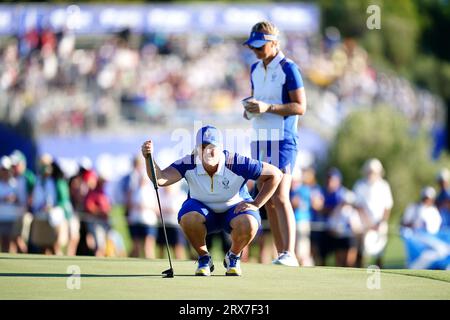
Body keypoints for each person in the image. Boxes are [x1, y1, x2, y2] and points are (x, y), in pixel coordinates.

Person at [141, 125, 283, 276]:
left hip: (234, 211)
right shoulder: (189, 162)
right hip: (201, 211)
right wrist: (148, 158)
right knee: (188, 218)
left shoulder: (236, 162)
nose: (208, 151)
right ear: (197, 149)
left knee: (250, 222)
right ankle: (204, 258)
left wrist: (257, 203)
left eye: (212, 146)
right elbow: (161, 179)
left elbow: (275, 175)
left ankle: (233, 257)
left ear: (221, 148)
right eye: (203, 146)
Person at [242, 21, 307, 266]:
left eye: (260, 46)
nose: (256, 51)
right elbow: (258, 101)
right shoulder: (255, 69)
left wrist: (268, 107)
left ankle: (289, 253)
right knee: (267, 199)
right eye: (253, 47)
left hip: (283, 138)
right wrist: (250, 109)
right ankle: (282, 255)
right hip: (260, 138)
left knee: (280, 195)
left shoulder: (290, 69)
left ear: (274, 43)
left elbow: (300, 106)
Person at [353, 158, 393, 268]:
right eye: (370, 171)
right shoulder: (360, 185)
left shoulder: (384, 186)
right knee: (362, 251)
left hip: (380, 224)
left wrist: (381, 223)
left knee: (380, 253)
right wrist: (368, 223)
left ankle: (378, 278)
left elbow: (387, 207)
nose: (371, 174)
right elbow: (358, 205)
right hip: (364, 224)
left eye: (374, 171)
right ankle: (359, 275)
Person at [127, 168, 159, 259]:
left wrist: (145, 207)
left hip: (149, 222)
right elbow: (128, 205)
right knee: (135, 247)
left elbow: (157, 208)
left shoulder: (152, 191)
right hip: (135, 220)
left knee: (148, 247)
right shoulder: (133, 191)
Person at [327, 191, 363, 267]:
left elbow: (358, 229)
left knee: (349, 262)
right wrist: (337, 230)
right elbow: (331, 226)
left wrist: (354, 228)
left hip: (350, 238)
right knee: (339, 261)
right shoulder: (336, 212)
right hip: (339, 238)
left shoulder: (353, 213)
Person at [9, 150, 35, 254]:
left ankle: (26, 257)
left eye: (16, 165)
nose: (14, 167)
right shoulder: (12, 177)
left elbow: (32, 195)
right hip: (14, 212)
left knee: (18, 237)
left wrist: (27, 207)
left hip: (25, 213)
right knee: (12, 238)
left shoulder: (28, 177)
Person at [157, 182, 188, 260]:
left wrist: (168, 210)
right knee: (161, 248)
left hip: (176, 226)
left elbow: (180, 210)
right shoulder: (161, 194)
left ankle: (181, 266)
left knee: (178, 248)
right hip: (162, 225)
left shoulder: (180, 194)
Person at [0, 156, 20, 252]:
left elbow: (20, 199)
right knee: (3, 241)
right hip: (1, 217)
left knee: (13, 241)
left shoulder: (15, 184)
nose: (5, 172)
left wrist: (14, 199)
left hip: (12, 217)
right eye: (3, 169)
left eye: (6, 170)